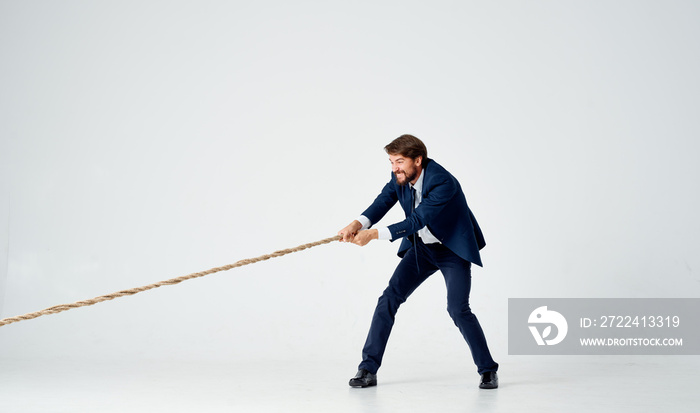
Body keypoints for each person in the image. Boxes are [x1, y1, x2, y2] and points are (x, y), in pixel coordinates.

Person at [338, 134, 499, 389]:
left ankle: (488, 369)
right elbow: (383, 201)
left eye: (399, 161)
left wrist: (373, 235)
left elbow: (417, 221)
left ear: (418, 160)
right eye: (391, 162)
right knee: (388, 299)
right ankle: (367, 369)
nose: (394, 168)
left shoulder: (443, 182)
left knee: (458, 309)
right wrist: (358, 224)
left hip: (451, 250)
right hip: (422, 248)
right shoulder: (400, 177)